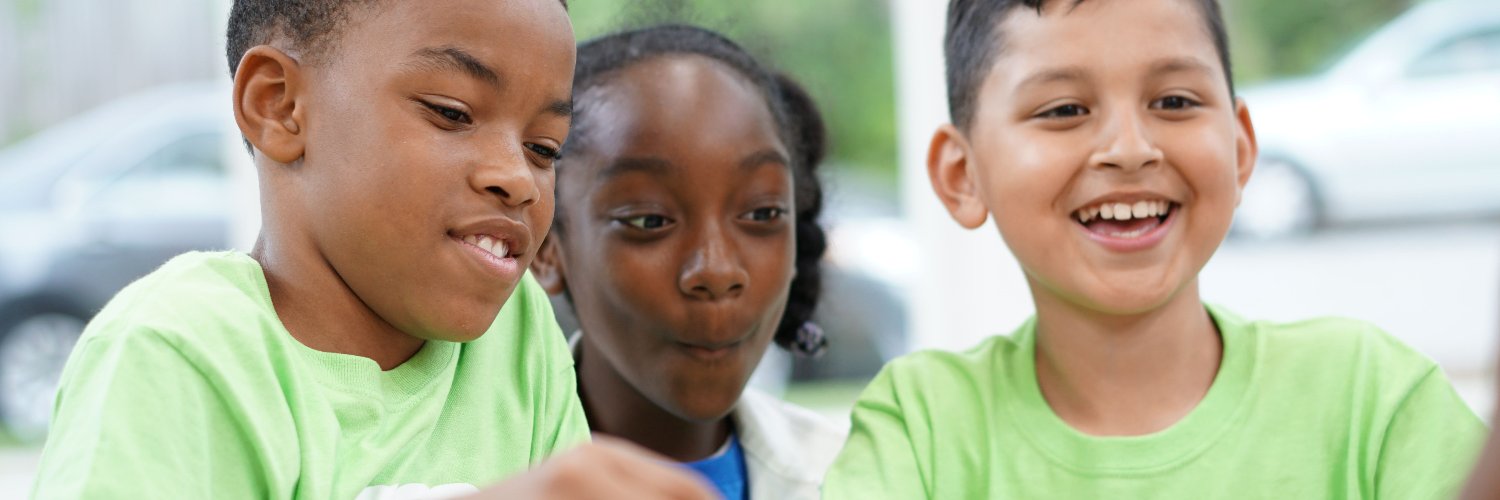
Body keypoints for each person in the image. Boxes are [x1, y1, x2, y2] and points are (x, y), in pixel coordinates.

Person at [31, 1, 711, 498]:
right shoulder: (178, 352)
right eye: (451, 111)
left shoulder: (516, 336)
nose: (516, 177)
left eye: (544, 149)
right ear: (280, 107)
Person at [822, 0, 1487, 498]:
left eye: (1174, 100)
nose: (1130, 149)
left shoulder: (1369, 395)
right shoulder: (926, 424)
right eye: (1063, 110)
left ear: (1239, 145)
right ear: (961, 174)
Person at [528, 25, 846, 500]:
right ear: (548, 246)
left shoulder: (858, 473)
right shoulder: (479, 480)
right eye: (649, 220)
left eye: (763, 213)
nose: (716, 272)